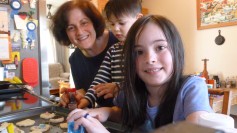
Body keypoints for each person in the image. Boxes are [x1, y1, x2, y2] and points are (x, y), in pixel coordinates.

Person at [67, 15, 213, 133]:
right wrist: (106, 112)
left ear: (176, 51)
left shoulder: (192, 88)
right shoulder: (131, 91)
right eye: (139, 52)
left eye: (160, 47)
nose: (150, 59)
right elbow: (126, 113)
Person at [50, 0, 118, 108]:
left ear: (94, 22)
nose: (80, 32)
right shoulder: (75, 60)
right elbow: (85, 97)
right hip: (106, 122)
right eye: (71, 28)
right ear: (65, 33)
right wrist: (74, 98)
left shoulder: (119, 41)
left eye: (84, 22)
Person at [77, 0, 143, 108]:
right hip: (119, 112)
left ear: (138, 19)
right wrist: (86, 100)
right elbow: (99, 80)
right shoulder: (113, 50)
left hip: (142, 112)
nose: (115, 29)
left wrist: (119, 87)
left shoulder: (144, 49)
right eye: (112, 23)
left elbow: (144, 81)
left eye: (121, 23)